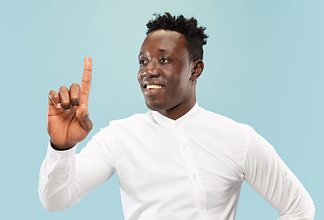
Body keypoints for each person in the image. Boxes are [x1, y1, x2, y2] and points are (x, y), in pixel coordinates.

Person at [39, 13, 315, 220]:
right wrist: (61, 148)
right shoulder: (117, 137)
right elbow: (56, 200)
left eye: (165, 59)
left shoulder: (238, 139)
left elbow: (299, 208)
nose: (148, 71)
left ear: (195, 70)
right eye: (143, 61)